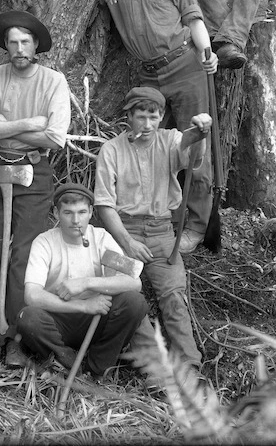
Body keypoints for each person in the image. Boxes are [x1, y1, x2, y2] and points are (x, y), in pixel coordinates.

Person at [61, 0, 218, 254]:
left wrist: (208, 52)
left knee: (195, 144)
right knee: (146, 145)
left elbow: (194, 19)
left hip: (186, 65)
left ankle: (196, 226)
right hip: (149, 75)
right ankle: (154, 218)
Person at [0, 10, 71, 366]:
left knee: (23, 254)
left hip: (34, 168)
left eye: (25, 42)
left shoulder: (53, 82)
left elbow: (55, 137)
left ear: (36, 45)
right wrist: (30, 123)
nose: (18, 48)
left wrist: (6, 125)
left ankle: (15, 334)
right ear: (5, 46)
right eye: (12, 42)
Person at [94, 87, 211, 378]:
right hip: (122, 234)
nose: (147, 125)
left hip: (161, 234)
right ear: (129, 117)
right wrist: (128, 243)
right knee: (125, 298)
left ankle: (189, 366)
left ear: (161, 117)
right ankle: (157, 368)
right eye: (141, 117)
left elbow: (190, 151)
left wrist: (200, 132)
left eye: (153, 117)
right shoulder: (111, 150)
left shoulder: (170, 140)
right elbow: (105, 205)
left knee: (173, 297)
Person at [17, 183, 147, 378]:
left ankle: (97, 368)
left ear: (90, 212)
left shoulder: (101, 238)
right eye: (68, 213)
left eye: (82, 212)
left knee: (134, 303)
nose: (76, 220)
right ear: (56, 212)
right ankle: (67, 361)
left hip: (97, 318)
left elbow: (134, 282)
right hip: (60, 318)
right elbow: (32, 295)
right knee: (28, 318)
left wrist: (86, 283)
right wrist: (83, 306)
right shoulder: (45, 242)